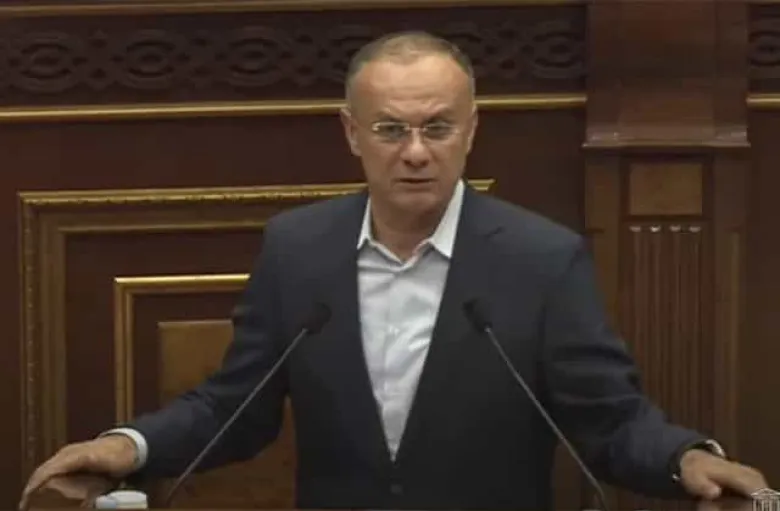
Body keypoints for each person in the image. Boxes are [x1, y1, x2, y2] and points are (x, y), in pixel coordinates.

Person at [20, 31, 770, 511]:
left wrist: (686, 457)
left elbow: (607, 419)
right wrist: (128, 446)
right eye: (390, 129)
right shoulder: (299, 249)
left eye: (437, 127)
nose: (415, 152)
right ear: (352, 133)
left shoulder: (542, 259)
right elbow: (233, 408)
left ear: (471, 131)